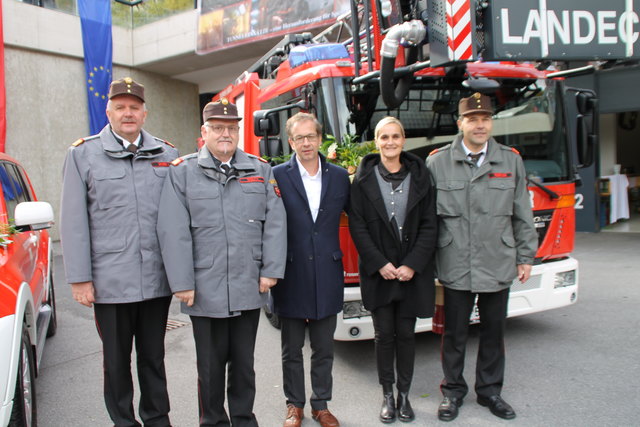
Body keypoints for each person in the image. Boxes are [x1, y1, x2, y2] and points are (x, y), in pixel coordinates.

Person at [156, 99, 286, 427]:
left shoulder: (260, 170)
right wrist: (182, 282)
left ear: (238, 131)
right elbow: (173, 230)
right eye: (217, 128)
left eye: (231, 128)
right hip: (204, 288)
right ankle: (213, 422)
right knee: (210, 368)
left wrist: (271, 270)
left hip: (247, 283)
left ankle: (243, 420)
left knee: (244, 366)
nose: (225, 134)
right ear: (204, 132)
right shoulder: (183, 172)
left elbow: (275, 222)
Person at [60, 77, 179, 427]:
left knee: (153, 358)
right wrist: (80, 279)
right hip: (110, 282)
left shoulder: (167, 154)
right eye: (121, 107)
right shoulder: (83, 155)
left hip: (156, 279)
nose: (128, 113)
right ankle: (124, 422)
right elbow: (73, 221)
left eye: (134, 107)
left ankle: (157, 419)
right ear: (108, 111)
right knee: (115, 361)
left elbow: (177, 220)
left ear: (144, 113)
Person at [426, 93, 537, 422]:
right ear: (459, 123)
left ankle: (490, 391)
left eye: (485, 119)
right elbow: (428, 220)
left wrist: (525, 256)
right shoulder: (437, 162)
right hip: (455, 261)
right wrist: (427, 263)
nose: (480, 125)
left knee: (493, 332)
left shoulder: (510, 160)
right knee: (454, 334)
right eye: (472, 119)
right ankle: (452, 392)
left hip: (497, 259)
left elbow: (522, 212)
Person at [349, 117, 438, 424]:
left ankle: (404, 395)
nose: (390, 142)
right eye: (384, 137)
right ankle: (387, 394)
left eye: (395, 136)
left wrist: (412, 264)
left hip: (411, 274)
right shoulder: (362, 180)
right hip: (380, 274)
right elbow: (358, 227)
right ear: (376, 142)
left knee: (407, 336)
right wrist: (380, 264)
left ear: (403, 140)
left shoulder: (422, 177)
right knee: (384, 336)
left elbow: (430, 224)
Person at [271, 113, 350, 427]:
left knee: (323, 347)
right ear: (291, 142)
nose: (306, 143)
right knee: (291, 348)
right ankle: (294, 405)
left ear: (320, 139)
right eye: (299, 138)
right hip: (290, 273)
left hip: (328, 272)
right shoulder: (277, 175)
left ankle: (321, 405)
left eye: (311, 136)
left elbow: (359, 218)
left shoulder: (340, 177)